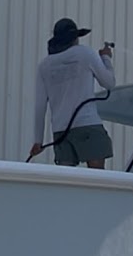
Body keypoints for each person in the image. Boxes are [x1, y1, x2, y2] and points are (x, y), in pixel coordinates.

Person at [29, 17, 116, 168]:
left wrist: (38, 141)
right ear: (75, 38)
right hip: (87, 124)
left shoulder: (44, 65)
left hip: (61, 132)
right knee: (98, 180)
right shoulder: (85, 54)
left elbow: (40, 106)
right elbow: (109, 83)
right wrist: (106, 58)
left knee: (67, 181)